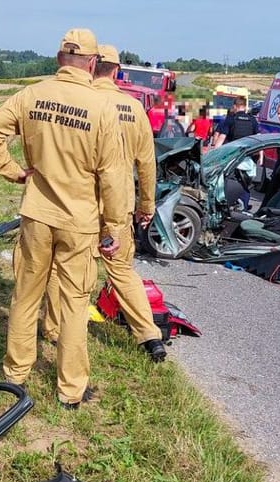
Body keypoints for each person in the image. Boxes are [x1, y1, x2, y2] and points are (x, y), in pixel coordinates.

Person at [0, 28, 125, 410]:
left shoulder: (32, 95)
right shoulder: (103, 107)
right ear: (92, 63)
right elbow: (112, 175)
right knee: (75, 303)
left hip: (37, 215)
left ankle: (16, 375)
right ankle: (70, 391)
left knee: (26, 295)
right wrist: (115, 227)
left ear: (60, 59)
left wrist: (14, 171)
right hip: (80, 221)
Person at [42, 44, 166, 364]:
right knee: (122, 271)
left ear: (90, 66)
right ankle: (150, 336)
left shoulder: (80, 103)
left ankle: (54, 329)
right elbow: (147, 164)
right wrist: (146, 205)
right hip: (118, 206)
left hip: (78, 203)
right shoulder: (133, 108)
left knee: (63, 266)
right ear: (117, 70)